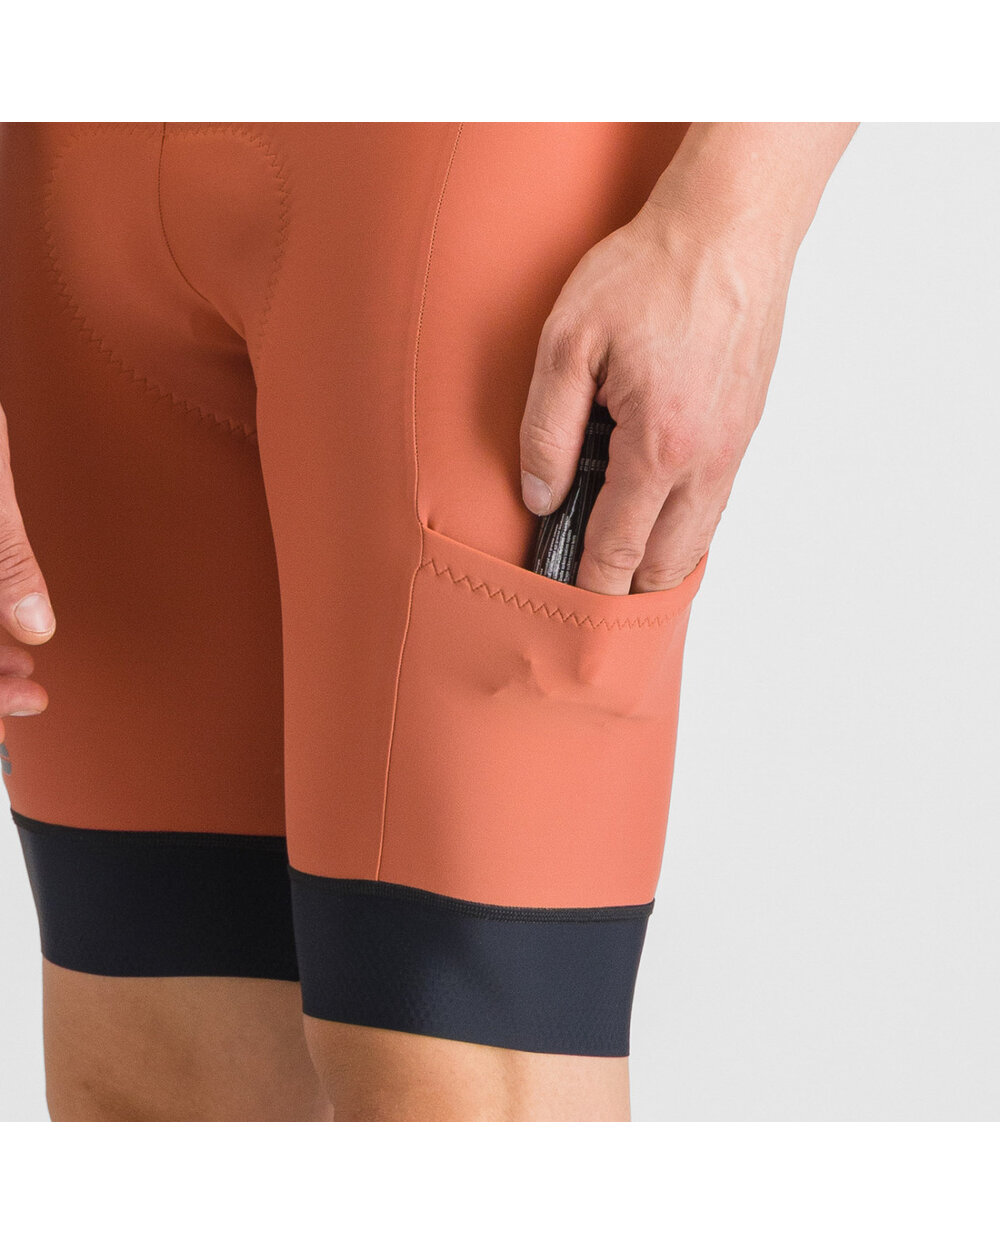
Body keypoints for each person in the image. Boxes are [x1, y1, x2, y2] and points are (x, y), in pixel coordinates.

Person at [0, 121, 856, 1122]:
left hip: (474, 195)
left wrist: (732, 227)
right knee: (148, 1089)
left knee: (461, 1094)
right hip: (54, 175)